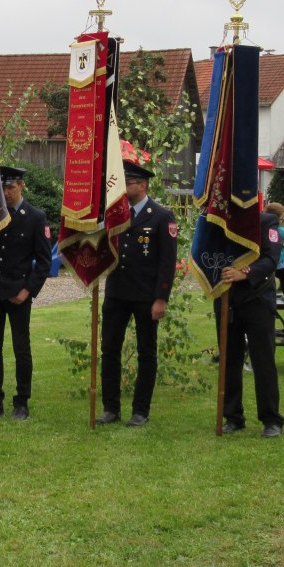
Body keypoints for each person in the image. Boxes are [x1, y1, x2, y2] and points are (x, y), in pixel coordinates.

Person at [97, 159, 178, 428]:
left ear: (142, 185)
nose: (122, 187)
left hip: (145, 295)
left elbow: (167, 262)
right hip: (117, 292)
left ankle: (140, 410)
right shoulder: (116, 214)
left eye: (127, 182)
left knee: (146, 352)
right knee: (109, 350)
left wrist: (161, 298)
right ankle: (111, 408)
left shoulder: (161, 216)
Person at [0, 166, 51, 421]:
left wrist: (28, 290)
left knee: (21, 348)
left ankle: (22, 401)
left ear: (21, 186)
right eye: (3, 188)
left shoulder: (36, 217)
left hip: (18, 291)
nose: (6, 192)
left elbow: (43, 262)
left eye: (10, 187)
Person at [218, 211, 284, 438]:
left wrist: (245, 274)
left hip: (257, 299)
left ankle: (271, 419)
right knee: (229, 360)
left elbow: (271, 258)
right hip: (227, 298)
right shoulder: (217, 219)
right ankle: (233, 416)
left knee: (263, 360)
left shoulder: (266, 221)